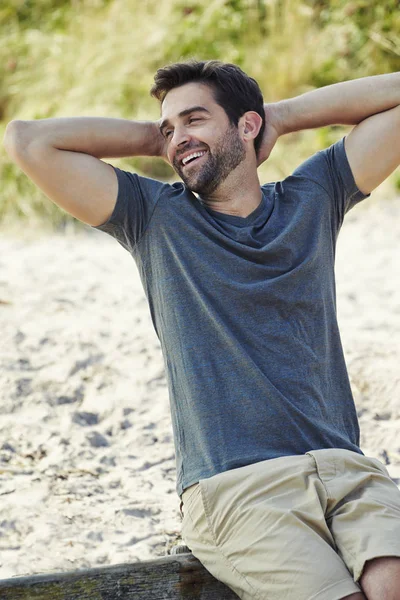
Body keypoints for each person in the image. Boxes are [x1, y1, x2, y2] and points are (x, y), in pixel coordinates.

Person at [4, 60, 400, 600]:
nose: (178, 138)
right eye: (168, 128)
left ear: (247, 126)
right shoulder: (156, 219)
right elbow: (29, 141)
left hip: (348, 472)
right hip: (237, 487)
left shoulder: (315, 197)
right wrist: (164, 139)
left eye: (195, 120)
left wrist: (280, 115)